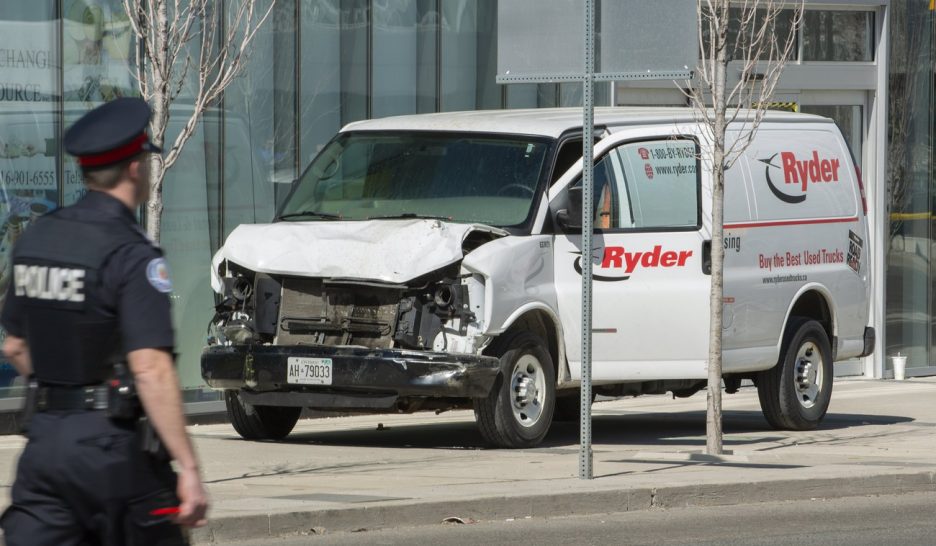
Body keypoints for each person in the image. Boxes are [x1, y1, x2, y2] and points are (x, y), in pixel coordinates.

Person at [0, 97, 208, 545]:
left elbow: (14, 346)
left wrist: (62, 390)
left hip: (45, 446)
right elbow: (151, 369)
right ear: (136, 169)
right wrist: (188, 468)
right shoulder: (132, 255)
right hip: (114, 455)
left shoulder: (37, 238)